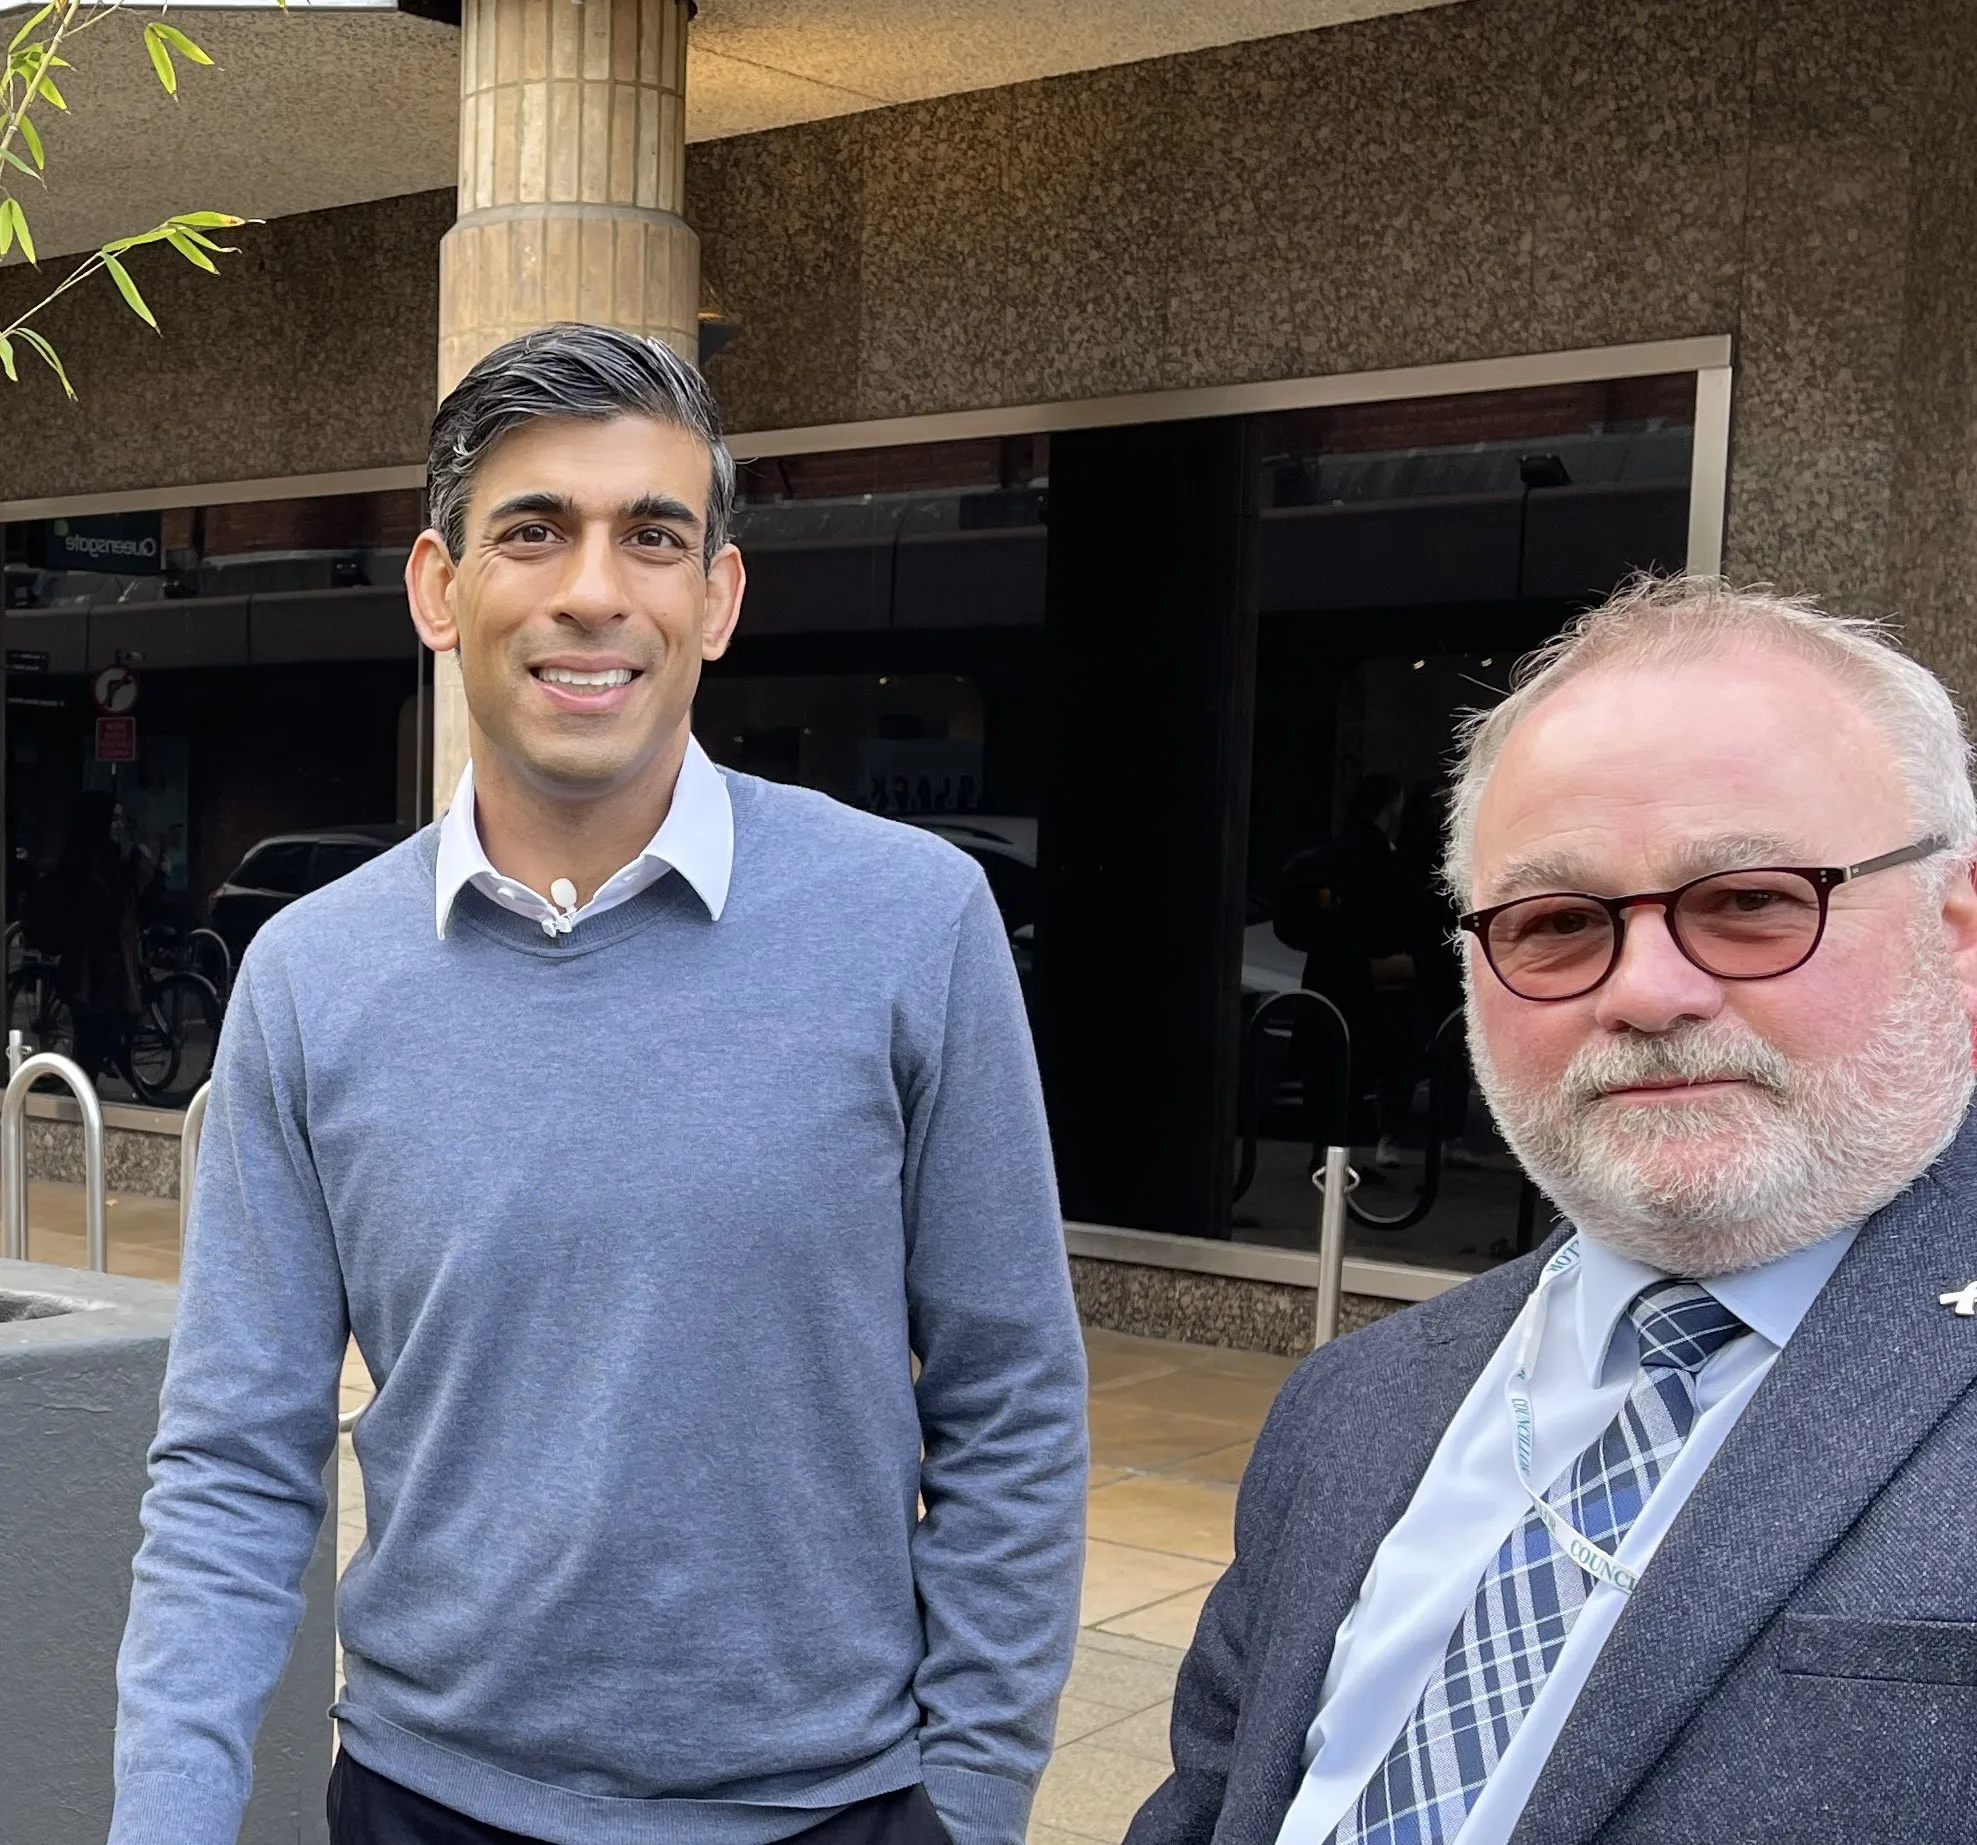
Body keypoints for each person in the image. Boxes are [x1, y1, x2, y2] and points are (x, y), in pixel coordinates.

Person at [108, 324, 1088, 1845]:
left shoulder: (912, 920)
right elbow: (236, 1457)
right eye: (534, 529)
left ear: (719, 594)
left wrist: (967, 1804)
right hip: (422, 1802)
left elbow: (1011, 1399)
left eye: (652, 534)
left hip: (831, 1811)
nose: (592, 589)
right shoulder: (310, 977)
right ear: (440, 588)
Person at [1128, 576, 1977, 1845]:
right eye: (1561, 922)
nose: (1647, 990)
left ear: (1956, 934)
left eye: (1750, 901)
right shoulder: (1349, 1407)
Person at [27, 788, 143, 1086]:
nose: (119, 825)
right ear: (99, 822)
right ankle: (78, 1118)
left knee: (96, 1051)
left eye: (121, 819)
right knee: (87, 1060)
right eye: (114, 819)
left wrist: (154, 877)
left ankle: (82, 1109)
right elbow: (107, 909)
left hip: (108, 978)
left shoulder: (108, 860)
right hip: (90, 979)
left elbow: (133, 909)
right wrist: (135, 871)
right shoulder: (84, 865)